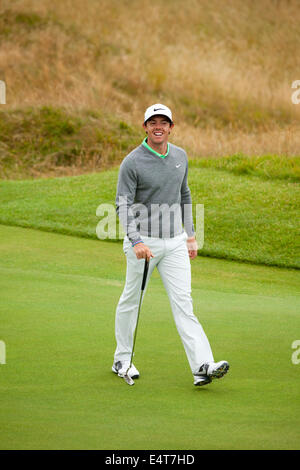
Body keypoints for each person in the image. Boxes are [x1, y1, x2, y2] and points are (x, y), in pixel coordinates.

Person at [112, 103, 229, 386]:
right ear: (145, 127)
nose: (158, 127)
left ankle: (202, 366)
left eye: (164, 122)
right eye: (153, 122)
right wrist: (136, 240)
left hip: (175, 242)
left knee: (184, 304)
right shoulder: (132, 162)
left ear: (171, 127)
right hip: (144, 244)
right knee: (132, 301)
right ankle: (122, 360)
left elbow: (184, 195)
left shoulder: (180, 156)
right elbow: (123, 205)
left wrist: (189, 235)